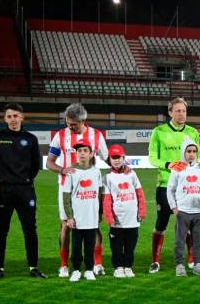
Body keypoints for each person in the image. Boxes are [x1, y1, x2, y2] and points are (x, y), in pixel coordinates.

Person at [46, 103, 109, 278]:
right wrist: (62, 170)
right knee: (66, 224)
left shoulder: (96, 136)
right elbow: (49, 162)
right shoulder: (60, 135)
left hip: (90, 186)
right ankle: (64, 265)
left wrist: (122, 168)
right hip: (67, 186)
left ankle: (97, 263)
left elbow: (108, 158)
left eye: (73, 124)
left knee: (94, 224)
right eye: (68, 123)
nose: (70, 126)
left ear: (83, 121)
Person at [148, 97, 200, 273]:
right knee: (161, 223)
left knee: (188, 223)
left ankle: (191, 259)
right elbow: (152, 157)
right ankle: (155, 261)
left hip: (187, 186)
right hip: (166, 184)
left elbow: (199, 156)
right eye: (178, 110)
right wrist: (168, 165)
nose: (181, 114)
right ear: (170, 112)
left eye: (184, 111)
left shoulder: (193, 132)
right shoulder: (159, 131)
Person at [0, 103, 45, 281]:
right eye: (9, 116)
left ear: (22, 117)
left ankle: (33, 267)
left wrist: (25, 180)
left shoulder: (30, 138)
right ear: (5, 119)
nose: (13, 119)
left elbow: (36, 165)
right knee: (0, 230)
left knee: (30, 230)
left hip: (25, 191)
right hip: (2, 191)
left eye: (16, 116)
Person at [167, 138, 200, 277]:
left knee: (198, 240)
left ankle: (198, 264)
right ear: (183, 152)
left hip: (199, 212)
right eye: (188, 151)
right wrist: (174, 207)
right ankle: (179, 265)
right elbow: (170, 189)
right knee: (179, 240)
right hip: (183, 211)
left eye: (194, 151)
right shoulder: (177, 169)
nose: (191, 154)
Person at [102, 144, 146, 278]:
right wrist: (109, 217)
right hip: (117, 220)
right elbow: (107, 200)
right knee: (116, 246)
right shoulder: (107, 177)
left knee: (130, 246)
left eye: (119, 157)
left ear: (123, 158)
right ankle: (118, 267)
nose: (116, 160)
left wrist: (142, 211)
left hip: (132, 219)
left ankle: (128, 266)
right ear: (109, 159)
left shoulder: (132, 174)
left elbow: (140, 194)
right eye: (113, 157)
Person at [62, 140, 103, 282]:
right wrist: (69, 217)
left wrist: (99, 213)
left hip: (91, 217)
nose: (82, 153)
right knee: (76, 246)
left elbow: (99, 193)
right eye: (79, 151)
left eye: (85, 150)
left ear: (91, 154)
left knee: (90, 246)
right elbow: (66, 196)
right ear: (76, 154)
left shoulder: (96, 172)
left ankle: (90, 270)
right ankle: (77, 270)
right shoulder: (71, 171)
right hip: (77, 218)